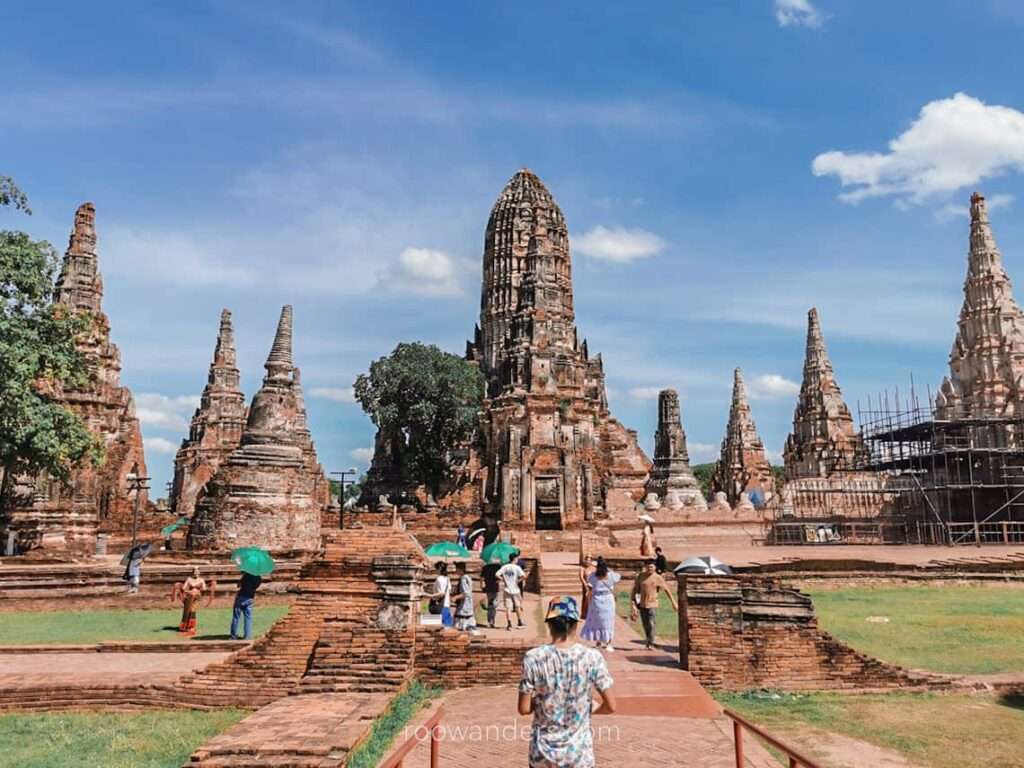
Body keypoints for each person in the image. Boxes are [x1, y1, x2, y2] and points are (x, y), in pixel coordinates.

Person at [518, 596, 616, 768]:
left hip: (542, 754)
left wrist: (545, 700)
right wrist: (587, 707)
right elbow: (611, 706)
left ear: (549, 625)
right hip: (579, 755)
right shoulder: (592, 657)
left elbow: (524, 708)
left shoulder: (533, 658)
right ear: (575, 624)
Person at [630, 559, 678, 650]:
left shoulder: (658, 578)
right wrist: (633, 604)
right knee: (645, 624)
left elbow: (667, 590)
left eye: (651, 567)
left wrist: (673, 602)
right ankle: (648, 640)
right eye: (648, 567)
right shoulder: (641, 576)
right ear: (645, 567)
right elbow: (635, 591)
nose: (649, 568)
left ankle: (650, 643)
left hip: (652, 604)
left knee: (651, 624)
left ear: (655, 567)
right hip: (642, 604)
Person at [580, 557, 620, 651]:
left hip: (596, 600)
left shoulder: (593, 575)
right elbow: (618, 577)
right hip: (608, 600)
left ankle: (598, 642)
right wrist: (608, 568)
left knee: (597, 622)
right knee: (608, 623)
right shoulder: (610, 575)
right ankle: (608, 643)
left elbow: (589, 588)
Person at [173, 567, 211, 636]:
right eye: (195, 572)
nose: (196, 573)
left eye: (197, 572)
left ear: (199, 573)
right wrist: (188, 591)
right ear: (192, 572)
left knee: (192, 610)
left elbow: (204, 588)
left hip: (197, 597)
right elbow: (184, 588)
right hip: (189, 596)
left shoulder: (201, 580)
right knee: (187, 610)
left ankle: (191, 627)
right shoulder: (189, 579)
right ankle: (185, 626)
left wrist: (202, 588)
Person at [496, 552, 526, 630]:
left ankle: (509, 624)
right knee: (517, 606)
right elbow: (524, 576)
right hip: (515, 589)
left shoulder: (505, 567)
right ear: (515, 559)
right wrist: (518, 581)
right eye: (517, 558)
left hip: (507, 589)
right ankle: (519, 621)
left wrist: (503, 579)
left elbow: (497, 574)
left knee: (508, 608)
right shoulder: (517, 567)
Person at [230, 570, 262, 640]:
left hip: (241, 597)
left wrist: (240, 581)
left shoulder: (246, 576)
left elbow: (239, 585)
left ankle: (233, 636)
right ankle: (247, 636)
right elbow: (255, 586)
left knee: (236, 617)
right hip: (250, 598)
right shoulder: (259, 578)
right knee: (248, 618)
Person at [452, 561, 478, 634]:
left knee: (460, 628)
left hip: (464, 608)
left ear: (460, 569)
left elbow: (465, 593)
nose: (455, 570)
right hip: (468, 607)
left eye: (456, 569)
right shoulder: (468, 578)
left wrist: (456, 597)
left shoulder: (463, 579)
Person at [430, 561, 453, 627]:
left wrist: (430, 595)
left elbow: (441, 594)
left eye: (436, 569)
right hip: (446, 605)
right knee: (447, 627)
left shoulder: (439, 579)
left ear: (439, 569)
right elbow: (449, 590)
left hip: (440, 605)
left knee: (439, 628)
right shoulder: (448, 579)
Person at [482, 562, 500, 628]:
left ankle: (490, 621)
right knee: (494, 605)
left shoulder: (485, 567)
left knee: (490, 604)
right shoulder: (498, 566)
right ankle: (492, 620)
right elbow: (501, 576)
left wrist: (482, 586)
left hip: (488, 588)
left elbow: (482, 578)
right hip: (495, 588)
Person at [578, 555, 595, 620]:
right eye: (587, 560)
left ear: (591, 561)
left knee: (593, 600)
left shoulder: (594, 568)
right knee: (586, 600)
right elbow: (581, 577)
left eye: (589, 560)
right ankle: (585, 614)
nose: (588, 562)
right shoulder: (582, 568)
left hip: (593, 586)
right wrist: (586, 585)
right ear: (585, 561)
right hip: (586, 586)